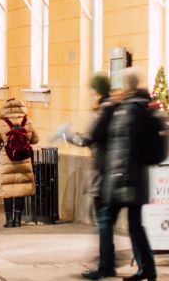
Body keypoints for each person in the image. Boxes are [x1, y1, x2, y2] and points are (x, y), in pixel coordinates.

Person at [81, 67, 166, 281]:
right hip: (139, 177)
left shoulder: (129, 110)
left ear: (128, 86)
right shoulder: (145, 106)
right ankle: (148, 269)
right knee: (136, 225)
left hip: (124, 178)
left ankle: (106, 266)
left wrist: (118, 178)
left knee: (105, 219)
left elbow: (123, 146)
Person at [67, 73, 114, 278]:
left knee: (103, 222)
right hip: (109, 172)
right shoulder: (112, 109)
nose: (90, 95)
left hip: (104, 173)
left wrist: (69, 137)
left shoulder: (103, 112)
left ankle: (105, 265)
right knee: (106, 222)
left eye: (92, 91)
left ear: (98, 91)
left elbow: (89, 139)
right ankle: (108, 263)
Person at [0, 97, 39, 228]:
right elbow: (36, 139)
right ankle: (18, 220)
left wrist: (5, 141)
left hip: (7, 160)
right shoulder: (27, 121)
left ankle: (9, 220)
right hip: (24, 160)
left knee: (7, 190)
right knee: (20, 189)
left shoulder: (2, 123)